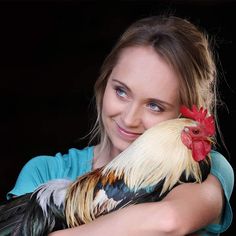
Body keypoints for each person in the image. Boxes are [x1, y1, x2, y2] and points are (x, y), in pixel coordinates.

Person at [7, 15, 234, 235]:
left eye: (155, 106)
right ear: (104, 83)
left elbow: (169, 221)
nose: (129, 119)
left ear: (183, 117)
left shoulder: (208, 171)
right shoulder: (45, 172)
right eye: (121, 91)